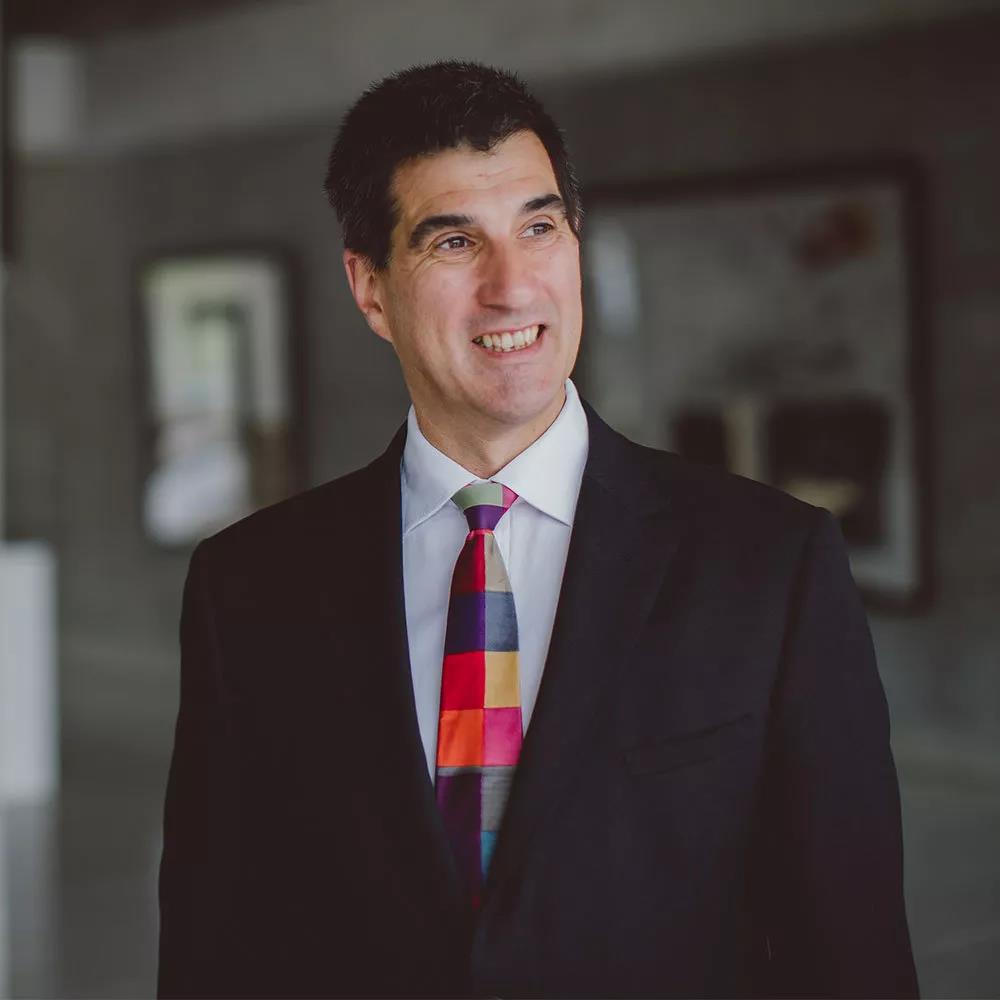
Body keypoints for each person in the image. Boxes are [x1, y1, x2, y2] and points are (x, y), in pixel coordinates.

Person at [157, 61, 918, 998]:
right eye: (453, 242)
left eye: (540, 227)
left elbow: (850, 949)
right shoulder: (247, 586)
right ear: (370, 288)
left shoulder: (770, 564)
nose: (513, 287)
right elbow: (214, 947)